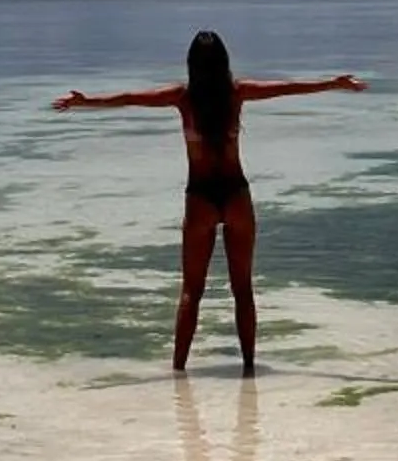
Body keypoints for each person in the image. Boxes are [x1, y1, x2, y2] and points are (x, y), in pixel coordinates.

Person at [53, 30, 365, 373]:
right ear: (225, 62)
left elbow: (130, 98)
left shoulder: (182, 97)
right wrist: (332, 84)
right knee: (243, 290)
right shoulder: (237, 93)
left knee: (192, 291)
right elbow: (287, 88)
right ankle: (249, 369)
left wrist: (87, 102)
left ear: (191, 64)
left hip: (200, 197)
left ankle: (178, 372)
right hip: (235, 195)